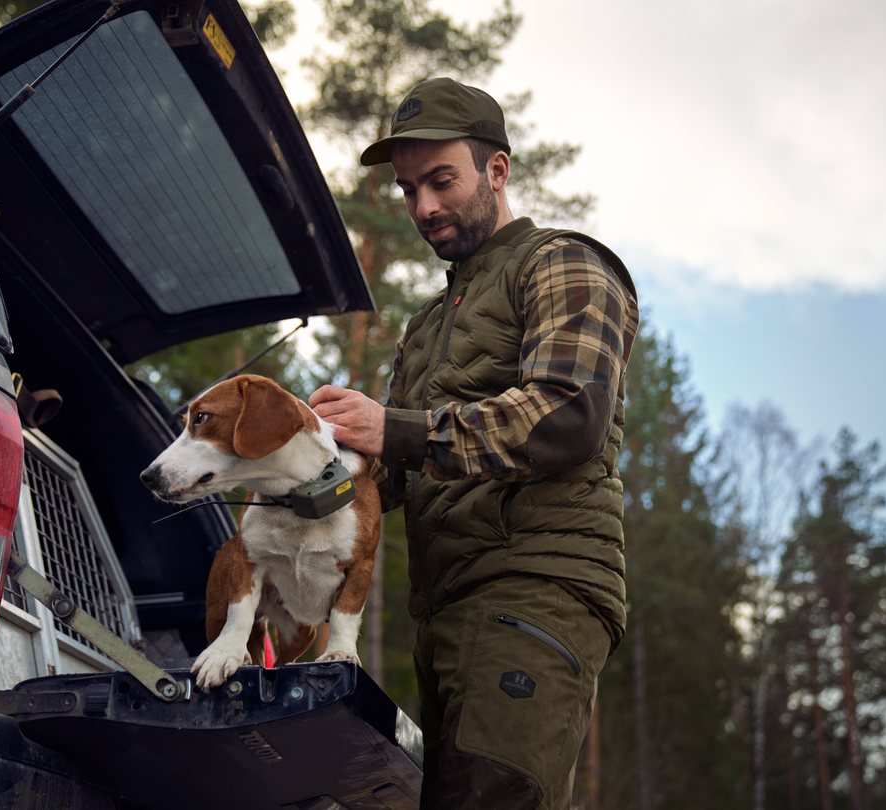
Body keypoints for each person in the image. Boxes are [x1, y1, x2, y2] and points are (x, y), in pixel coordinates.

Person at [308, 77, 640, 810]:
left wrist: (390, 427)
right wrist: (298, 467)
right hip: (444, 614)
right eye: (407, 190)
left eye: (441, 181)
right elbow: (394, 474)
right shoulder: (425, 325)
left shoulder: (563, 263)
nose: (423, 207)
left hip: (534, 591)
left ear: (497, 169)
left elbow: (568, 413)